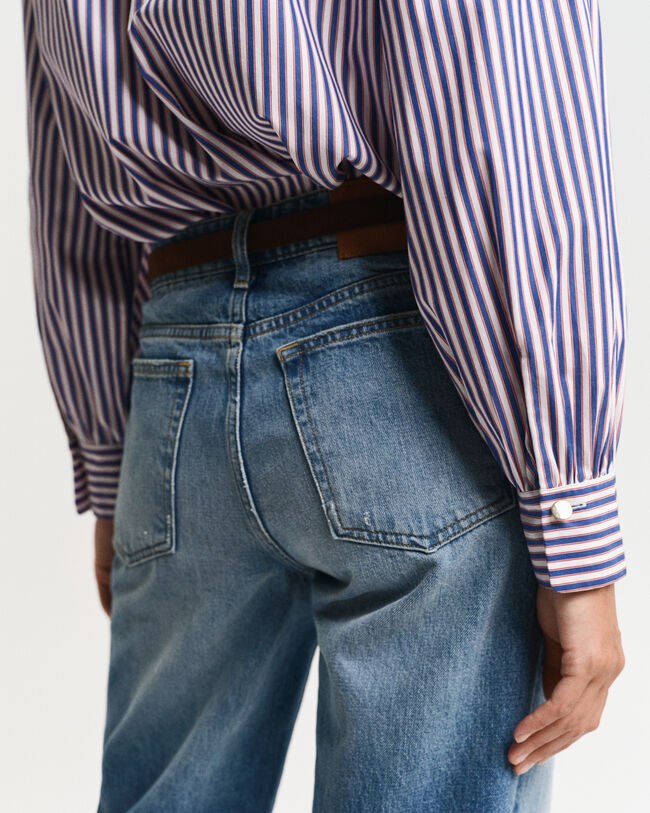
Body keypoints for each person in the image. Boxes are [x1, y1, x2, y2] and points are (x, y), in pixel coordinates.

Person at [22, 1, 626, 811]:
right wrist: (569, 505)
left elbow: (60, 156)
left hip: (175, 364)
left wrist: (109, 449)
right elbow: (496, 107)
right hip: (394, 351)